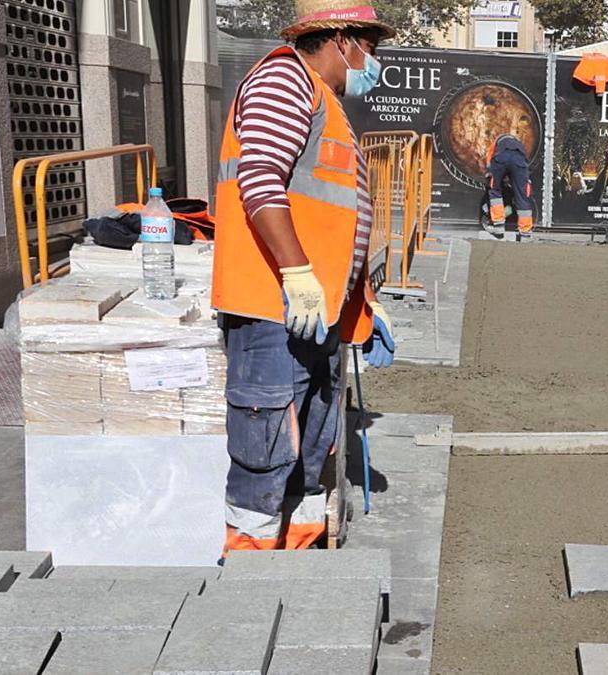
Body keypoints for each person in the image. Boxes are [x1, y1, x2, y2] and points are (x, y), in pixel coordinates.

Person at [211, 0, 398, 554]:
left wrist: (363, 303)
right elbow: (261, 182)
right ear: (342, 39)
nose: (372, 61)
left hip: (314, 314)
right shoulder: (282, 80)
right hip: (275, 310)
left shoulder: (324, 100)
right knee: (265, 454)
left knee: (310, 451)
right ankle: (249, 587)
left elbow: (331, 218)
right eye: (370, 47)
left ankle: (299, 573)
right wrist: (296, 272)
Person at [486, 132, 533, 241]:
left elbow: (489, 161)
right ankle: (525, 233)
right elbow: (524, 162)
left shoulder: (497, 142)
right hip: (519, 162)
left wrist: (490, 174)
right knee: (522, 195)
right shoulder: (520, 145)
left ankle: (498, 226)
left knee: (494, 189)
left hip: (501, 158)